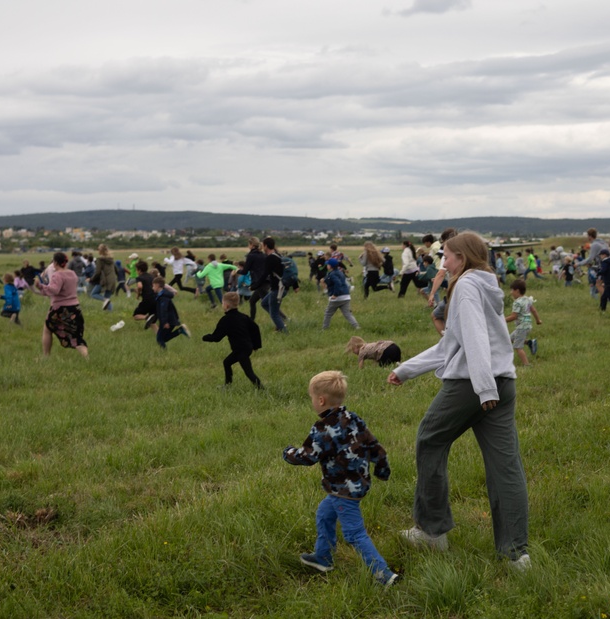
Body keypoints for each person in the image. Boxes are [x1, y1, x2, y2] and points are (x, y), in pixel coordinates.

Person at [387, 232, 529, 569]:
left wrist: (483, 389)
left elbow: (476, 341)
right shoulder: (485, 284)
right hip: (502, 380)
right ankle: (515, 554)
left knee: (429, 439)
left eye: (447, 257)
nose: (443, 263)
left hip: (473, 384)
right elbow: (451, 344)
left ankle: (432, 533)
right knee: (505, 465)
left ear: (462, 258)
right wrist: (407, 370)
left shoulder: (465, 287)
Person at [283, 370, 398, 586]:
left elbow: (308, 457)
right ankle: (323, 557)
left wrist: (288, 453)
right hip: (356, 483)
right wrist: (382, 467)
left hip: (342, 489)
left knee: (354, 533)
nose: (312, 402)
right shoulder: (352, 418)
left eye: (311, 398)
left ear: (321, 400)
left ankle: (383, 574)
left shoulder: (323, 428)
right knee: (325, 514)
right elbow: (374, 444)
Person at [201, 292, 263, 388]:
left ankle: (261, 388)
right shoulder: (244, 317)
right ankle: (228, 385)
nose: (222, 305)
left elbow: (216, 337)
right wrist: (256, 345)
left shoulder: (226, 320)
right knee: (227, 362)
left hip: (240, 350)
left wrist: (205, 337)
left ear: (226, 305)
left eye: (222, 303)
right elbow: (255, 328)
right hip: (247, 347)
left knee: (248, 371)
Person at [35, 252, 89, 358]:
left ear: (55, 262)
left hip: (60, 308)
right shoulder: (72, 273)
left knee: (47, 328)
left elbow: (54, 290)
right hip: (75, 308)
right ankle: (87, 357)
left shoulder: (57, 275)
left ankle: (45, 356)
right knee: (76, 336)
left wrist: (40, 286)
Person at [505, 279, 541, 366]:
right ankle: (530, 342)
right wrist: (538, 320)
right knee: (509, 339)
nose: (511, 293)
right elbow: (533, 310)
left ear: (517, 291)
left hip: (522, 327)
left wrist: (502, 320)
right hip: (527, 326)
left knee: (518, 346)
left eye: (512, 290)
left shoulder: (517, 303)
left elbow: (514, 316)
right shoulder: (527, 299)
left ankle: (526, 364)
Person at [151, 276, 190, 348]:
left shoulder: (163, 297)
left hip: (168, 321)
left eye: (153, 286)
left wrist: (165, 322)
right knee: (164, 338)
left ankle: (164, 355)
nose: (152, 288)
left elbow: (164, 310)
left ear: (157, 285)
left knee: (159, 339)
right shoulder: (161, 295)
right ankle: (180, 330)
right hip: (170, 320)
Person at [322, 259, 360, 330]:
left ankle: (324, 329)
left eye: (327, 264)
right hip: (346, 297)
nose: (327, 265)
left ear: (330, 266)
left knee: (328, 314)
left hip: (337, 298)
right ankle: (356, 326)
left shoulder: (332, 274)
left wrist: (335, 294)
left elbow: (338, 283)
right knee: (347, 314)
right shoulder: (340, 272)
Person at [261, 237, 288, 333]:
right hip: (280, 287)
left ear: (266, 246)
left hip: (277, 288)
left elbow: (265, 274)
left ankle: (284, 332)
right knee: (264, 303)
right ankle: (280, 322)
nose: (262, 247)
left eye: (263, 245)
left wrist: (255, 285)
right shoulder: (278, 255)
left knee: (274, 314)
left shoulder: (270, 258)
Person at [90, 244, 116, 311]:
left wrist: (91, 279)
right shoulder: (111, 259)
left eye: (98, 249)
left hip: (105, 280)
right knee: (107, 299)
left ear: (100, 251)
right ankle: (110, 314)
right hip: (112, 279)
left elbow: (97, 272)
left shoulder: (99, 260)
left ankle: (105, 301)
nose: (97, 250)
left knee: (93, 294)